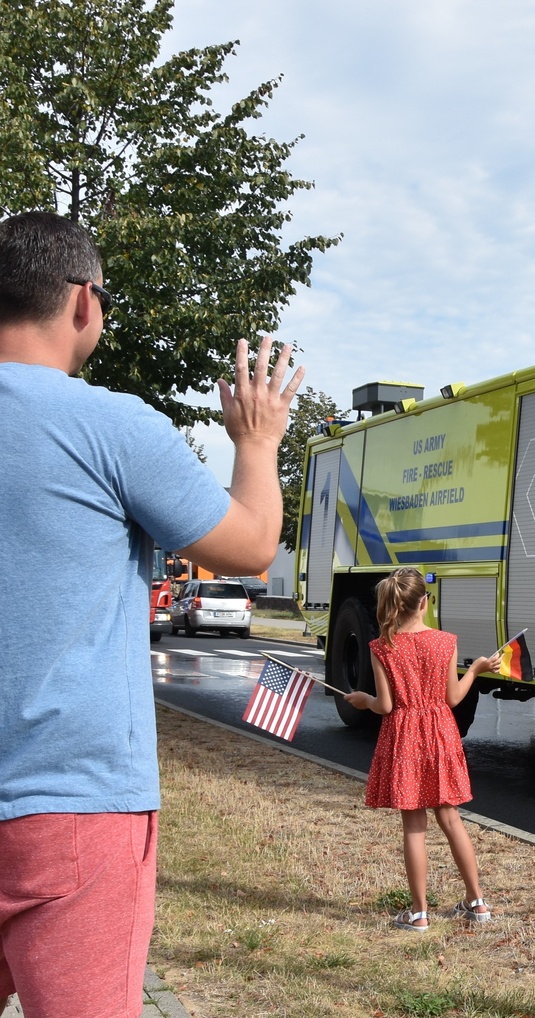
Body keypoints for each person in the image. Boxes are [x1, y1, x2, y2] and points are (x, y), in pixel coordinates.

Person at [0, 210, 304, 1018]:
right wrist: (258, 441)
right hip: (74, 804)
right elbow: (250, 547)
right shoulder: (112, 426)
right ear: (83, 303)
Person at [344, 568, 502, 932]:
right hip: (440, 735)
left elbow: (384, 706)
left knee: (414, 825)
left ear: (393, 606)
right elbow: (452, 698)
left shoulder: (382, 647)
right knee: (450, 817)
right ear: (425, 602)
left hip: (403, 738)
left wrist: (364, 700)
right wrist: (476, 669)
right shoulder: (446, 642)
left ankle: (419, 913)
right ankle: (476, 902)